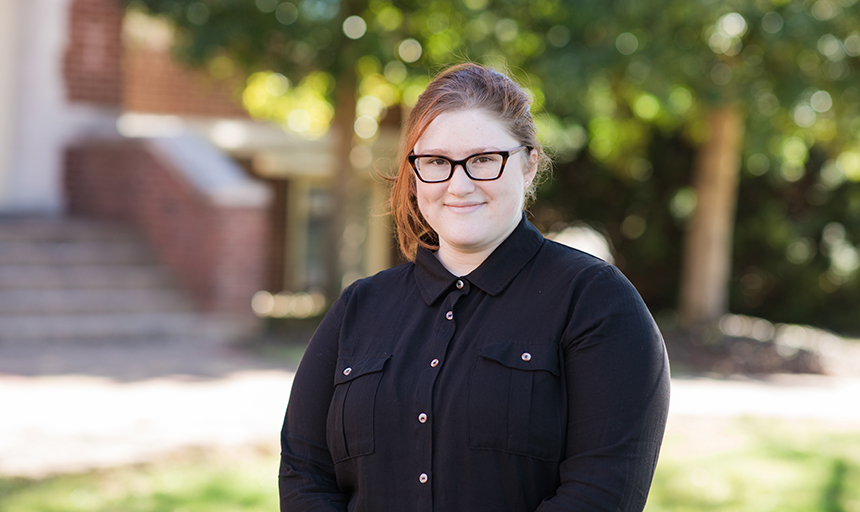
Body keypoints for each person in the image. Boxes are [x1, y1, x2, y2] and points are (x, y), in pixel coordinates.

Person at [279, 63, 670, 512]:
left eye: (484, 159)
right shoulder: (359, 308)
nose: (458, 184)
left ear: (528, 164)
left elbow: (601, 495)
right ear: (415, 171)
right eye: (436, 162)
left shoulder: (596, 302)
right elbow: (303, 471)